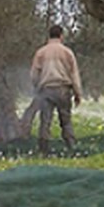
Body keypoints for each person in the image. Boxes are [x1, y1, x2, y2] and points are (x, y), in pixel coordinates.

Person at [29, 24, 83, 154]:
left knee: (45, 121)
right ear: (61, 36)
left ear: (49, 36)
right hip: (64, 90)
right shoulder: (67, 52)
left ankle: (44, 150)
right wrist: (77, 93)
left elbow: (33, 74)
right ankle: (71, 147)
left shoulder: (41, 52)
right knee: (66, 120)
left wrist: (37, 86)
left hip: (46, 89)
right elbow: (74, 75)